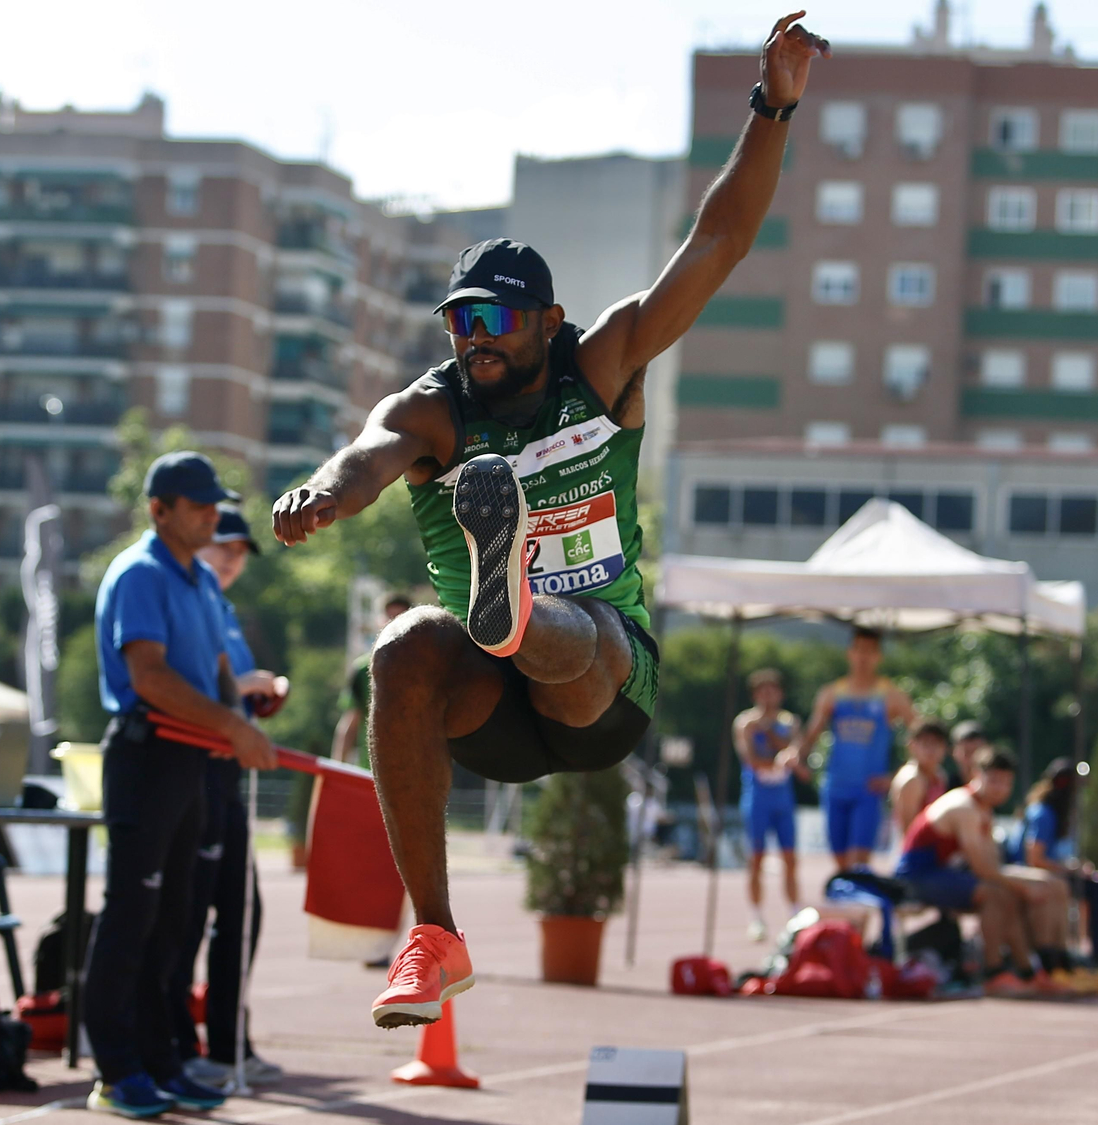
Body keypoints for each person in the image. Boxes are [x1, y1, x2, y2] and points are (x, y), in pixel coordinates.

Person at [270, 13, 831, 1029]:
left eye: (494, 319)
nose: (474, 338)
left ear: (544, 320)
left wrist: (772, 105)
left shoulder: (604, 362)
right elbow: (366, 456)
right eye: (458, 321)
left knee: (559, 635)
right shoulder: (431, 409)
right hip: (491, 713)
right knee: (399, 653)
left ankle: (513, 605)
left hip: (600, 685)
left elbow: (718, 241)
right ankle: (433, 940)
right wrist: (323, 494)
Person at [85, 452, 276, 1119]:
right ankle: (115, 1067)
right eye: (198, 505)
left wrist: (243, 723)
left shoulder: (200, 578)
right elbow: (151, 677)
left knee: (176, 922)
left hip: (196, 763)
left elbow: (219, 669)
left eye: (214, 503)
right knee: (131, 916)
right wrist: (231, 721)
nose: (212, 514)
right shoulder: (141, 573)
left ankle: (161, 1060)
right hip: (148, 756)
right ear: (158, 509)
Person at [172, 507, 288, 1088]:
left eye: (241, 551)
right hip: (188, 771)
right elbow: (176, 682)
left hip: (226, 773)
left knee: (243, 911)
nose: (232, 559)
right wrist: (243, 688)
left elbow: (230, 694)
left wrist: (260, 695)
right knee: (186, 912)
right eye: (224, 546)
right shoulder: (186, 597)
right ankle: (177, 1040)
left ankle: (227, 1042)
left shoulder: (224, 609)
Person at [894, 749, 1062, 996]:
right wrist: (1024, 884)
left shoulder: (983, 809)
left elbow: (993, 864)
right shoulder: (965, 808)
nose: (999, 788)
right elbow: (982, 869)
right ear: (976, 775)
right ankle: (993, 973)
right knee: (994, 894)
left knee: (1007, 893)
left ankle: (1029, 972)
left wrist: (1026, 883)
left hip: (939, 873)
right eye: (994, 780)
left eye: (1006, 783)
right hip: (914, 878)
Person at [796, 627, 912, 871]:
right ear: (849, 653)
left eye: (869, 651)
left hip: (868, 790)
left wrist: (896, 777)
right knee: (839, 862)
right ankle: (847, 903)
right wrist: (794, 756)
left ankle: (858, 902)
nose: (863, 657)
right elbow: (810, 736)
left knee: (859, 863)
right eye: (859, 650)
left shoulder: (891, 695)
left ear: (879, 656)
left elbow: (922, 736)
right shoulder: (831, 693)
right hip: (835, 786)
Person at [1007, 757, 1098, 974]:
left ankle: (1091, 952)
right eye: (1075, 786)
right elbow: (1035, 859)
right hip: (1032, 874)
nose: (1078, 792)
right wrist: (1070, 870)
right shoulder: (1044, 813)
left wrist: (1077, 866)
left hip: (1051, 871)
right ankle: (1065, 955)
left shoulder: (1058, 813)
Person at [734, 668, 803, 941]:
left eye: (772, 690)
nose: (768, 696)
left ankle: (795, 914)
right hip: (757, 797)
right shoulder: (745, 722)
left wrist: (781, 746)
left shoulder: (789, 721)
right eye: (762, 691)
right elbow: (750, 757)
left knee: (790, 858)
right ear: (755, 695)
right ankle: (756, 918)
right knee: (756, 858)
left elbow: (794, 750)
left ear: (781, 693)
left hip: (782, 798)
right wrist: (779, 756)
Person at [332, 593, 415, 768]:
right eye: (390, 618)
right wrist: (337, 767)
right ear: (380, 620)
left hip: (416, 768)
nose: (394, 624)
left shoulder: (427, 669)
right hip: (372, 772)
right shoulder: (363, 669)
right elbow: (351, 721)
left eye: (401, 618)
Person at [889, 720, 951, 838]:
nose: (931, 750)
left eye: (937, 744)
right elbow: (907, 831)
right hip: (914, 851)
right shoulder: (911, 779)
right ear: (912, 745)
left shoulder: (940, 774)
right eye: (926, 744)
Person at [945, 720, 989, 790]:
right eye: (967, 753)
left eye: (977, 753)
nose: (973, 759)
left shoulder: (993, 788)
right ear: (953, 752)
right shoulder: (943, 786)